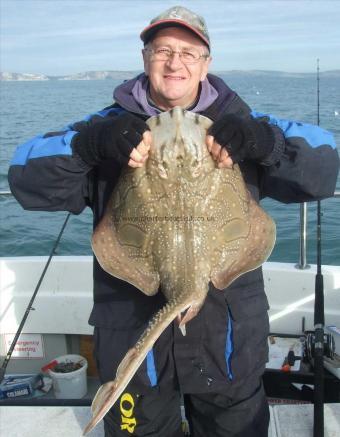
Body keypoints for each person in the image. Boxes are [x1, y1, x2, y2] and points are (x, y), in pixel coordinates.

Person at [8, 5, 339, 437]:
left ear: (206, 64)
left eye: (188, 52)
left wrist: (265, 143)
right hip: (132, 329)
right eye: (163, 49)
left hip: (228, 339)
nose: (175, 61)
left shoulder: (245, 125)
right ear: (145, 58)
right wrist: (89, 146)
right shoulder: (104, 129)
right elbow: (23, 176)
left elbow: (324, 165)